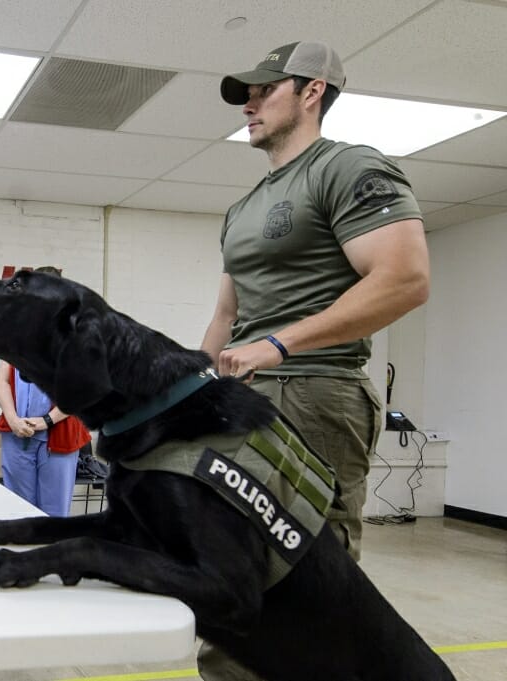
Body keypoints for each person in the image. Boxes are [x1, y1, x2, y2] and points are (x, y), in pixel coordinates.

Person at [198, 42, 430, 679]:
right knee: (229, 557)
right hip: (243, 399)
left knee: (306, 575)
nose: (248, 102)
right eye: (246, 92)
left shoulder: (348, 168)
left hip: (314, 393)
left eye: (263, 89)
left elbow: (404, 279)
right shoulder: (242, 208)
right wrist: (190, 387)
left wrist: (278, 344)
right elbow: (227, 316)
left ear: (311, 91)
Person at [0, 267, 92, 517]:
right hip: (17, 432)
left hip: (57, 433)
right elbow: (4, 380)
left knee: (53, 512)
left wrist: (48, 420)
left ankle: (50, 556)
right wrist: (13, 418)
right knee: (17, 509)